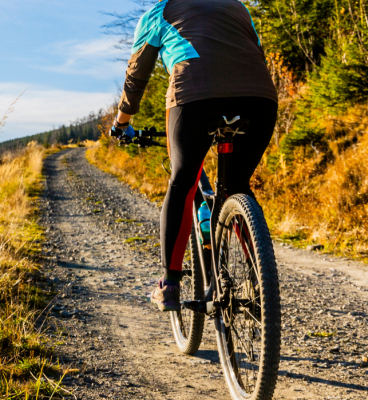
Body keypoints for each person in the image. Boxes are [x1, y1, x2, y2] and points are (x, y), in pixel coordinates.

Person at [111, 0, 278, 312]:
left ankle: (169, 284)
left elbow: (136, 75)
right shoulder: (238, 7)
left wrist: (122, 122)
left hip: (195, 97)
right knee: (238, 186)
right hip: (259, 99)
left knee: (183, 181)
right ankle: (260, 279)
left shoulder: (159, 11)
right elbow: (256, 51)